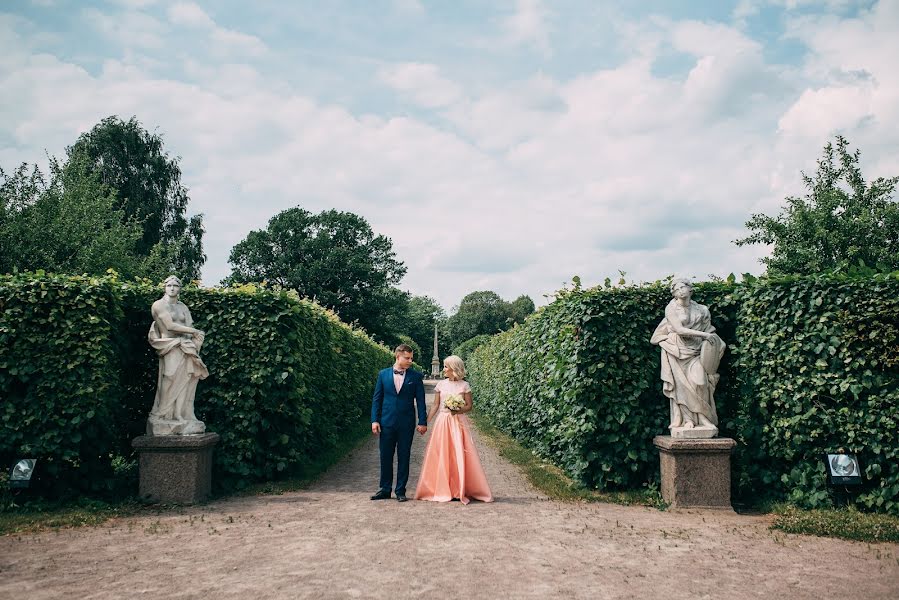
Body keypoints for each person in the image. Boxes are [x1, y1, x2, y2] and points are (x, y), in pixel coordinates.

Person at [650, 278, 726, 434]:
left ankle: (704, 418)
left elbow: (709, 331)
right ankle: (688, 420)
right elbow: (679, 329)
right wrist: (704, 335)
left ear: (690, 289)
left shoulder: (702, 310)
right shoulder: (671, 309)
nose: (679, 291)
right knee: (682, 387)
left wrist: (717, 343)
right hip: (677, 351)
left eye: (682, 287)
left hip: (697, 351)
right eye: (676, 289)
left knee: (700, 382)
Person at [415, 355, 493, 504]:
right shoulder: (441, 385)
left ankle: (459, 488)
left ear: (454, 369)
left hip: (458, 422)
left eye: (446, 366)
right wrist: (425, 422)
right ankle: (442, 488)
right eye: (443, 366)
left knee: (458, 453)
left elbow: (469, 406)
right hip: (443, 422)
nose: (444, 369)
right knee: (443, 454)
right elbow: (436, 405)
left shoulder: (465, 385)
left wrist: (457, 410)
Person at [147, 275, 209, 435]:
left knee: (186, 380)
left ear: (180, 288)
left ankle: (180, 414)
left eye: (176, 285)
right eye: (169, 285)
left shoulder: (183, 307)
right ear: (164, 287)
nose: (172, 288)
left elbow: (189, 324)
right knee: (169, 376)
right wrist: (194, 332)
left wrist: (194, 341)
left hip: (186, 346)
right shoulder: (158, 305)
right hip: (170, 345)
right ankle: (162, 412)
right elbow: (170, 325)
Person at [370, 344, 427, 502]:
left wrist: (423, 421)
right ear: (397, 357)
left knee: (404, 456)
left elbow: (421, 401)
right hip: (386, 422)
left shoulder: (416, 377)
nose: (410, 361)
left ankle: (400, 490)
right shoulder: (383, 374)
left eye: (411, 358)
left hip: (406, 423)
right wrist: (375, 420)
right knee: (385, 456)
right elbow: (377, 399)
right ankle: (385, 489)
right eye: (407, 358)